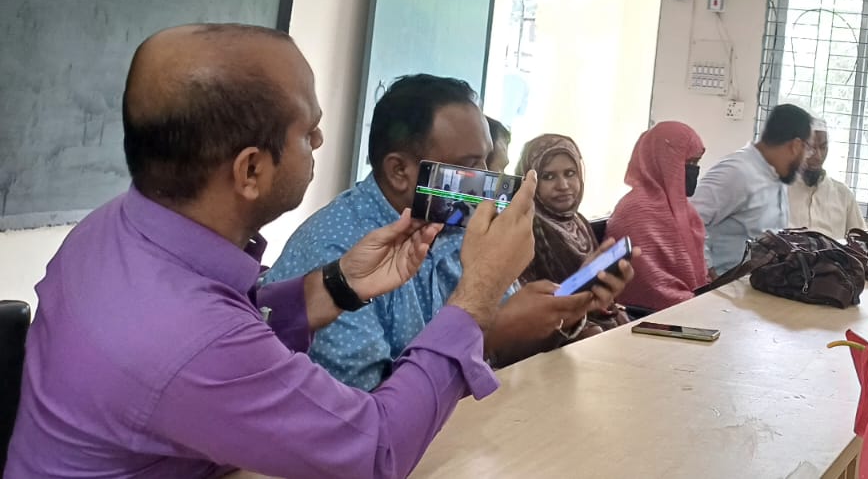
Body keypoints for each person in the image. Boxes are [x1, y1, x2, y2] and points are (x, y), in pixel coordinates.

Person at [5, 24, 537, 477]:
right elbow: (376, 451)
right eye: (309, 130)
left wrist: (334, 286)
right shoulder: (188, 336)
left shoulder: (111, 229)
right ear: (251, 170)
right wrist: (475, 298)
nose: (322, 141)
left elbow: (231, 331)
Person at [265, 74, 629, 389]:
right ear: (399, 172)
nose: (490, 180)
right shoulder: (337, 251)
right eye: (472, 166)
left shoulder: (455, 224)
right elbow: (370, 412)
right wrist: (488, 336)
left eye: (491, 161)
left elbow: (508, 347)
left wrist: (564, 307)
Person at [515, 133, 627, 336]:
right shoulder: (526, 227)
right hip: (551, 333)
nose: (563, 185)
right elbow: (527, 308)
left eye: (570, 173)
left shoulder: (578, 221)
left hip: (593, 317)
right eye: (548, 176)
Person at [691, 103, 813, 276]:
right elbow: (690, 221)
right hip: (724, 290)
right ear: (795, 145)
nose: (806, 159)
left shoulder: (777, 175)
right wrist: (709, 275)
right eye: (807, 149)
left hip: (757, 287)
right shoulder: (737, 172)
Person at [606, 121, 708, 312]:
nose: (693, 170)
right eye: (687, 163)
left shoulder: (684, 210)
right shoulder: (636, 210)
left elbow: (699, 275)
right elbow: (652, 286)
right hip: (649, 319)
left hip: (689, 308)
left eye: (696, 163)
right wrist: (700, 305)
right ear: (663, 161)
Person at [787, 118, 867, 239]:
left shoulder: (843, 195)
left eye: (823, 147)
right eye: (811, 148)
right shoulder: (777, 192)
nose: (818, 156)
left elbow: (861, 243)